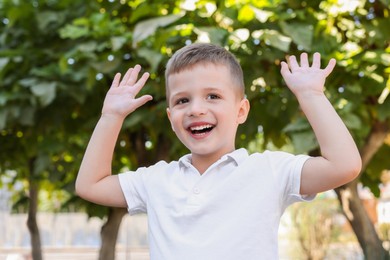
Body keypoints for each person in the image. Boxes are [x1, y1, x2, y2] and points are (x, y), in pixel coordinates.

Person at [76, 43, 361, 259]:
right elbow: (91, 185)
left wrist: (311, 95)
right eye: (182, 100)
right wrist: (110, 117)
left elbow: (344, 165)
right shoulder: (156, 180)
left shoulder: (270, 171)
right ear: (170, 117)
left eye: (213, 96)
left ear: (241, 111)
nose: (196, 108)